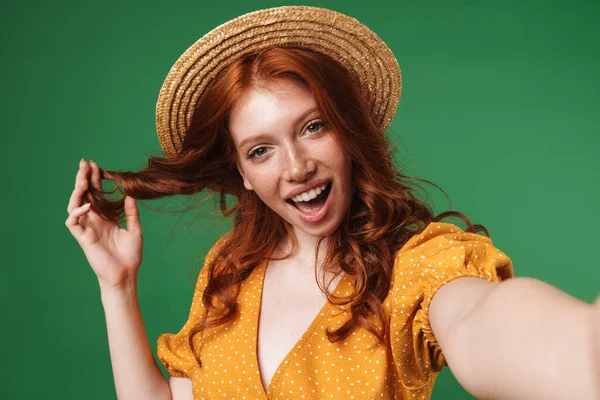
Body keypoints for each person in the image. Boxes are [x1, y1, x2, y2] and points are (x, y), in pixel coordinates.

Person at [65, 5, 600, 400]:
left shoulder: (414, 267)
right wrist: (117, 285)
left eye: (313, 126)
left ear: (347, 132)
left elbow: (480, 317)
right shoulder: (229, 274)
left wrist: (582, 344)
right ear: (243, 174)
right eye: (261, 150)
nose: (296, 167)